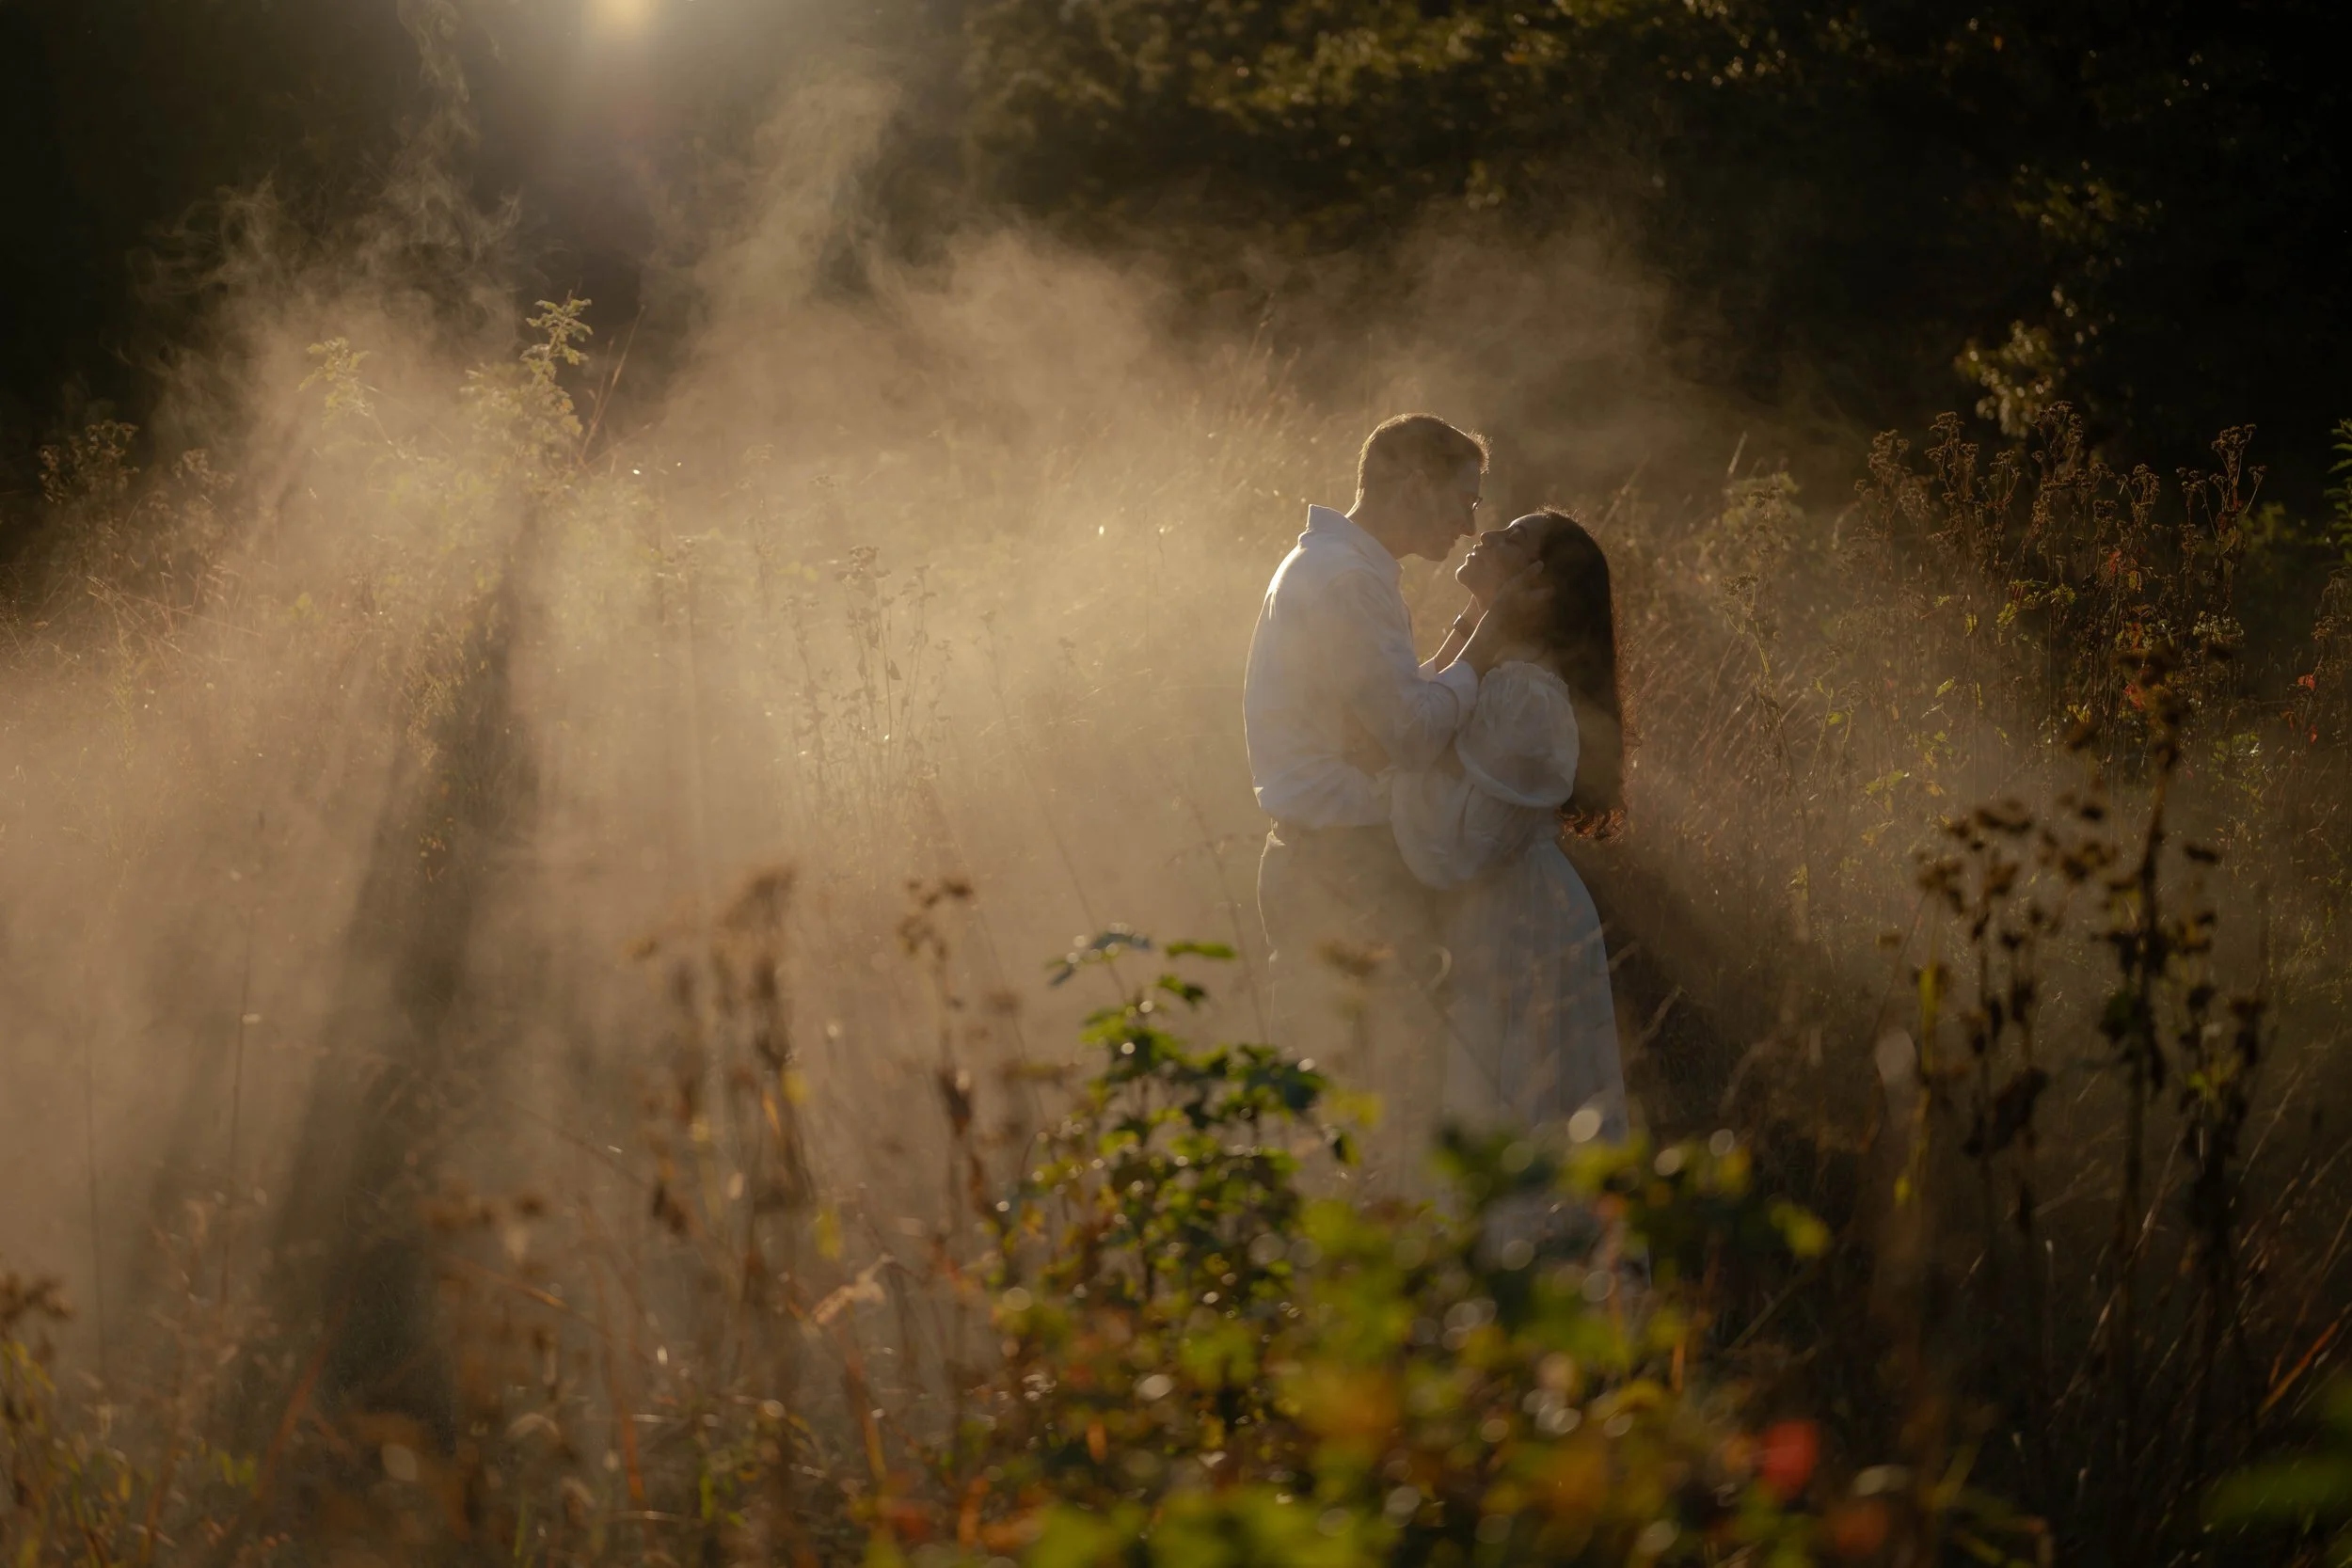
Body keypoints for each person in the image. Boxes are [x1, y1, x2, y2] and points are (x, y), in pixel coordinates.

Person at [1241, 413, 1543, 1171]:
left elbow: (1382, 718)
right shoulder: (1346, 579)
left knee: (1353, 1096)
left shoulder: (1342, 567)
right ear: (1413, 482)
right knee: (1364, 1103)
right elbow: (1410, 735)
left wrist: (1473, 626)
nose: (1470, 521)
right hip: (1341, 867)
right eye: (1462, 498)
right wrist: (1493, 635)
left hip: (1330, 859)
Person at [1389, 508, 1629, 1138]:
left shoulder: (1525, 693)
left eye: (1512, 537)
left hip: (1517, 919)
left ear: (1541, 586)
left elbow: (1457, 843)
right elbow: (1414, 717)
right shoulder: (1499, 666)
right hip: (1497, 910)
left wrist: (1376, 785)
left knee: (1513, 1104)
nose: (1484, 535)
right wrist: (1481, 623)